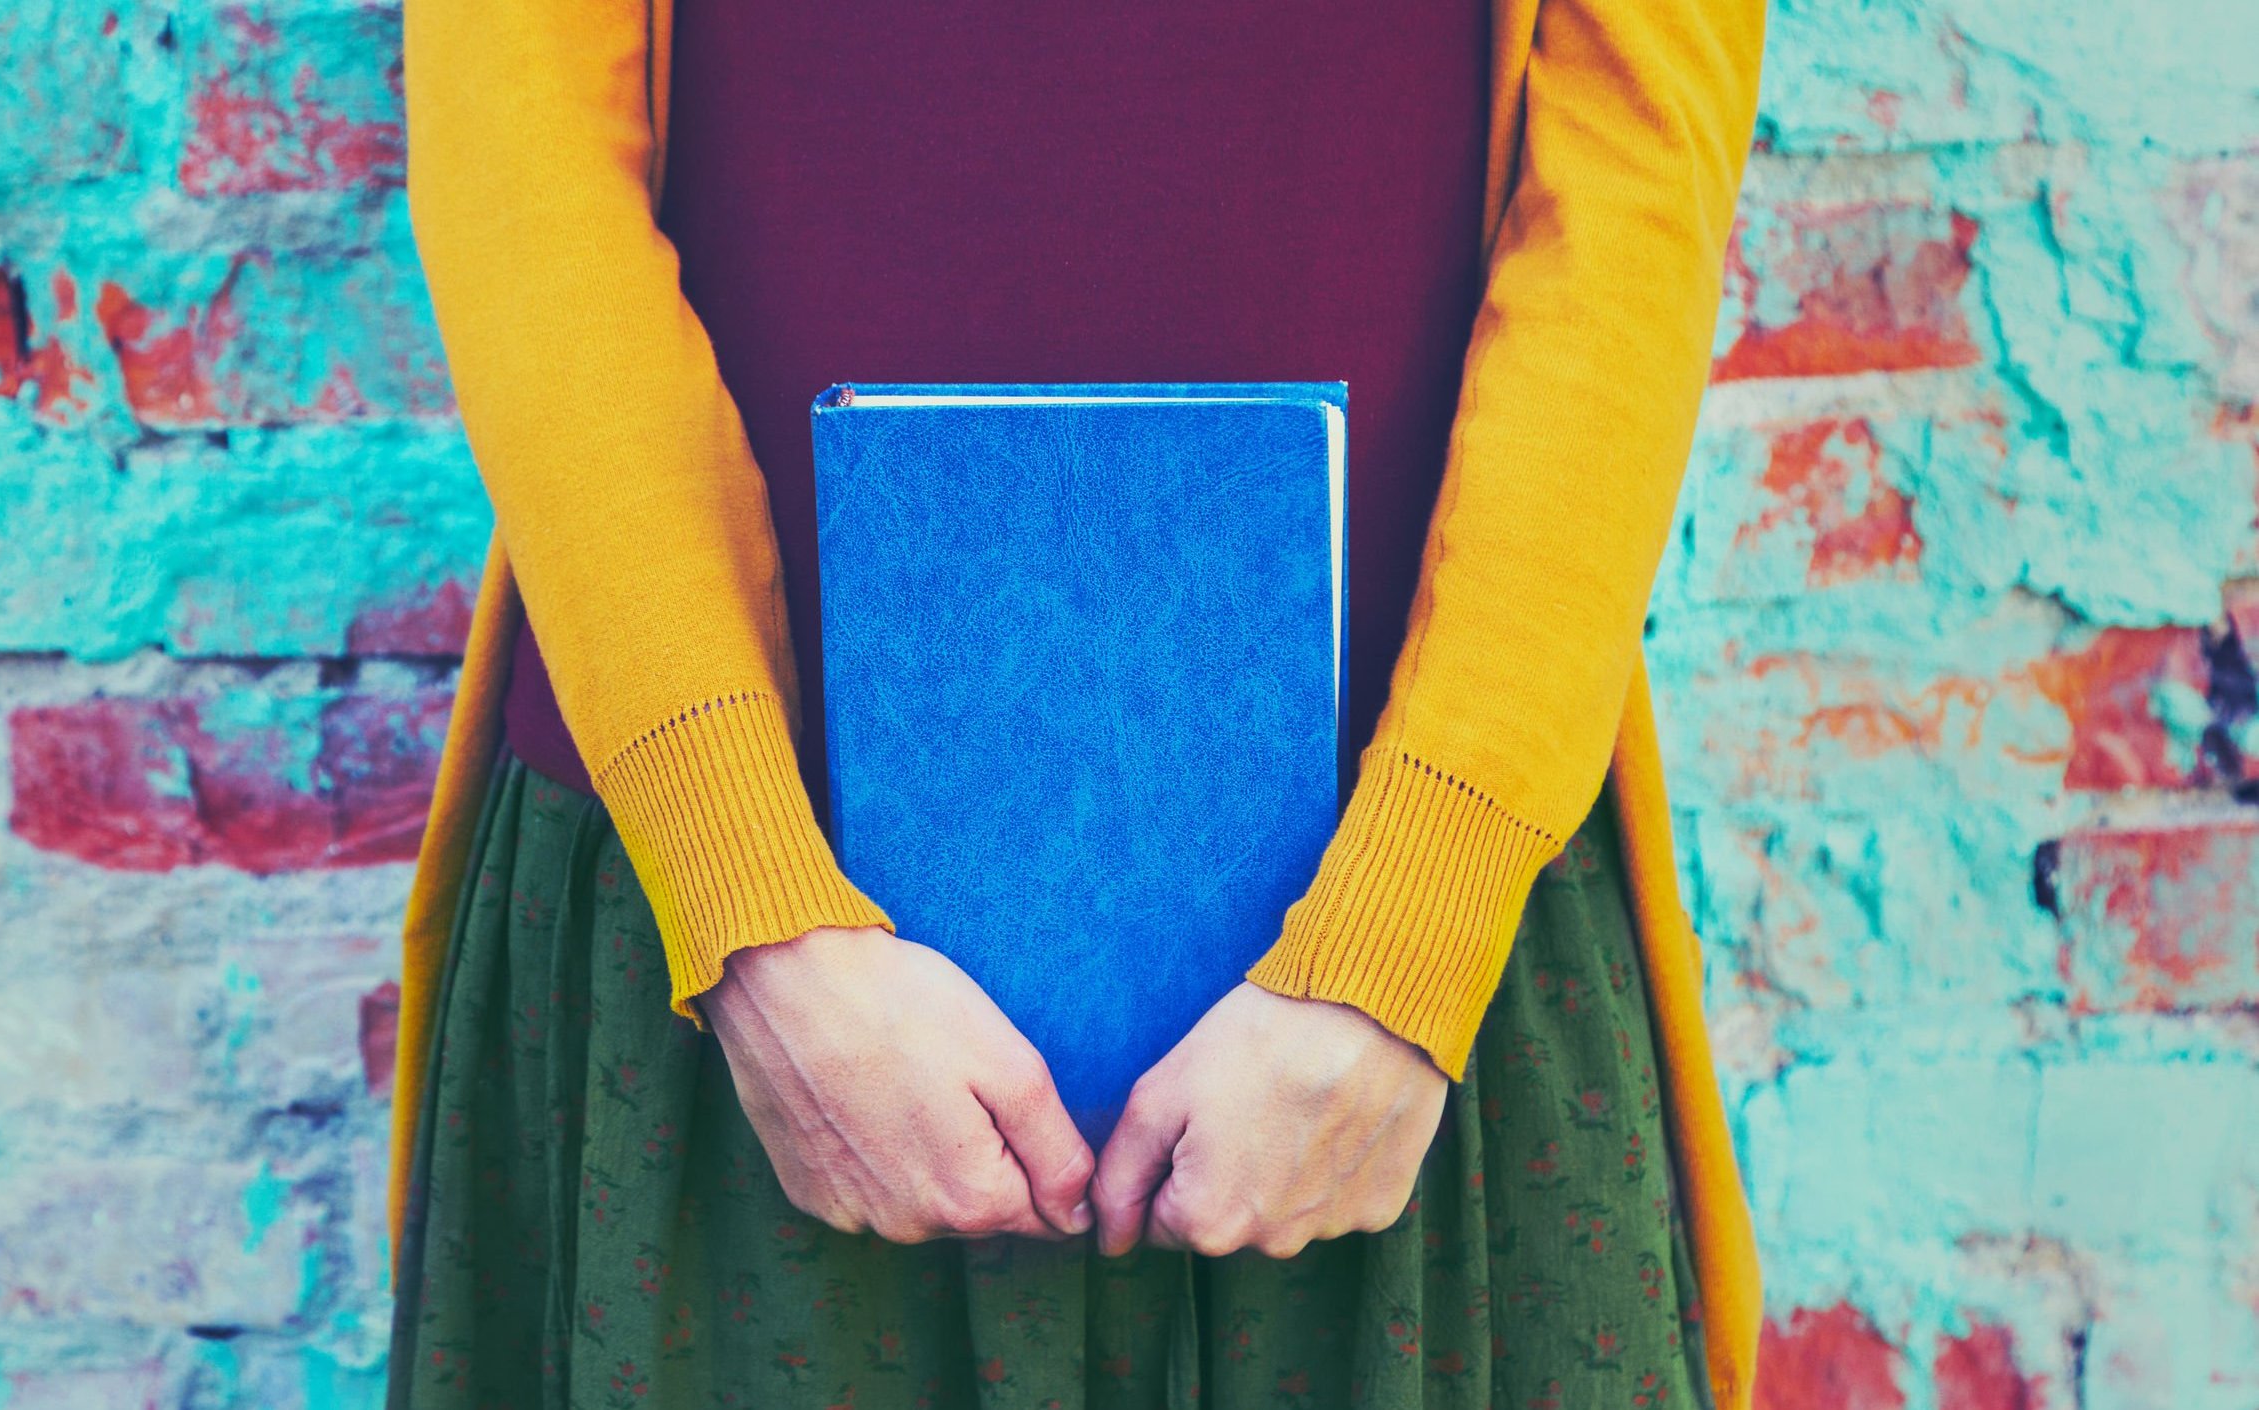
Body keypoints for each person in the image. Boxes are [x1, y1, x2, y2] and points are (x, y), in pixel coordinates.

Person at [383, 1, 1768, 1405]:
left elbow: (1629, 206)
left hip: (1392, 994)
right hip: (735, 969)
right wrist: (751, 906)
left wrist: (1416, 924)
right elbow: (528, 177)